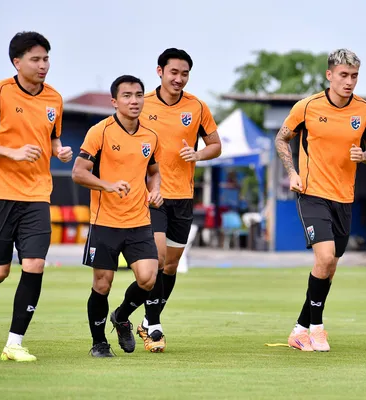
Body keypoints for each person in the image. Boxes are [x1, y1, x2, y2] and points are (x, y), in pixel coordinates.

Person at [275, 48, 366, 352]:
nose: (349, 81)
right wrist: (292, 172)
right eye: (344, 75)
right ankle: (318, 328)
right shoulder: (307, 107)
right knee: (323, 258)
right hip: (312, 193)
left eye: (354, 76)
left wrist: (364, 155)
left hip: (344, 198)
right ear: (329, 75)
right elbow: (282, 138)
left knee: (330, 266)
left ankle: (299, 329)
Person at [0, 31, 72, 362]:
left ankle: (14, 344)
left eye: (46, 58)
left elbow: (52, 138)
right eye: (35, 59)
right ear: (16, 62)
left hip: (37, 194)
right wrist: (12, 152)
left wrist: (59, 151)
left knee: (34, 264)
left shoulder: (55, 98)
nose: (43, 65)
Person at [134, 48, 222, 352]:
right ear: (160, 71)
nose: (179, 79)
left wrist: (198, 154)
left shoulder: (197, 106)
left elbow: (215, 145)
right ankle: (154, 326)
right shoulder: (142, 104)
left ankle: (144, 321)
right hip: (152, 196)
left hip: (183, 196)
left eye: (185, 74)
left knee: (170, 266)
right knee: (158, 259)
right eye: (174, 72)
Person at [72, 75, 163, 357]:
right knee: (102, 284)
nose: (134, 101)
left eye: (139, 95)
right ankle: (99, 343)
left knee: (148, 279)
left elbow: (154, 172)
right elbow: (78, 173)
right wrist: (107, 185)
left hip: (139, 221)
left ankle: (121, 316)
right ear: (114, 101)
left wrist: (155, 190)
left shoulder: (151, 136)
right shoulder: (99, 132)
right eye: (127, 95)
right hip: (105, 222)